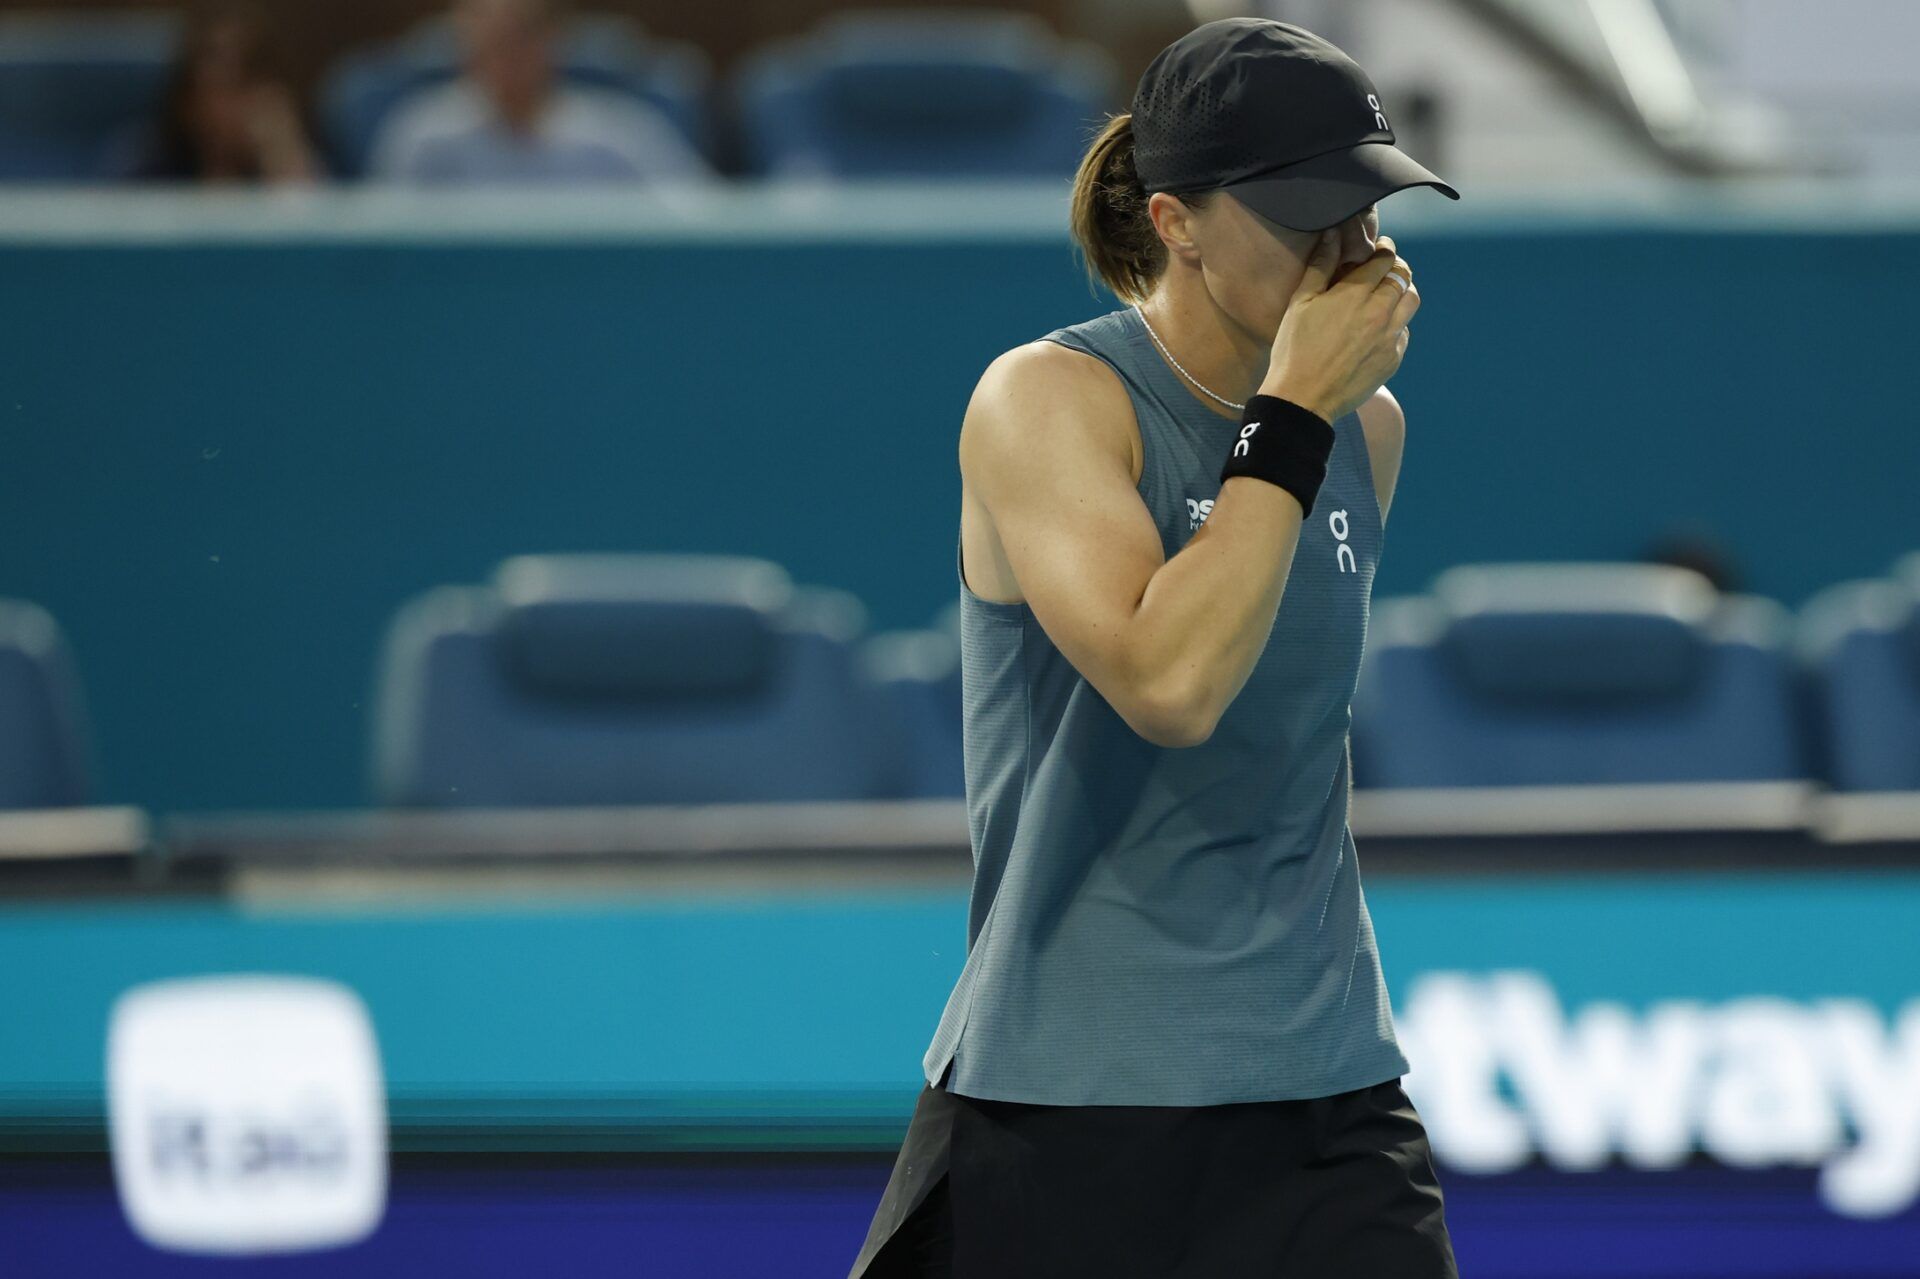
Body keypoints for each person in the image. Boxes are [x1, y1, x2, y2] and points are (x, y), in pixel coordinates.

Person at [849, 18, 1462, 1278]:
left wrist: (1310, 415)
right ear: (1176, 220)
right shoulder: (1048, 401)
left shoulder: (1370, 430)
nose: (1351, 251)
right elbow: (1171, 683)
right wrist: (1289, 414)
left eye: (1370, 210)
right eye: (1307, 214)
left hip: (1324, 1093)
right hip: (1067, 1097)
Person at [365, 0, 713, 185]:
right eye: (487, 43)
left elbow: (706, 227)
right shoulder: (423, 140)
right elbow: (377, 249)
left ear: (553, 42)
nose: (503, 59)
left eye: (518, 40)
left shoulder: (619, 138)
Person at [109, 4, 321, 185]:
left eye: (245, 88)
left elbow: (312, 225)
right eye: (219, 90)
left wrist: (284, 154)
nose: (235, 108)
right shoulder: (147, 162)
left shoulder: (301, 148)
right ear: (187, 102)